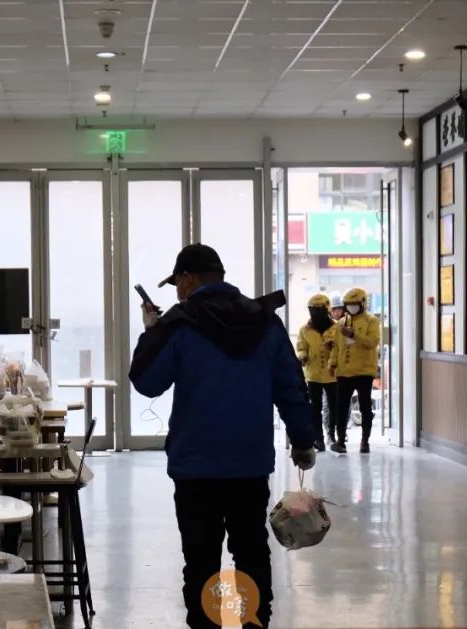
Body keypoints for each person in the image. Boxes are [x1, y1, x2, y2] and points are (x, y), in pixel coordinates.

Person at [129, 243, 317, 629]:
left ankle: (206, 624)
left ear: (187, 279)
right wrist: (302, 441)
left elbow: (148, 383)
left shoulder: (179, 324)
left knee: (200, 559)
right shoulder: (264, 321)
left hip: (196, 466)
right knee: (250, 552)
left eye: (177, 283)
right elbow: (291, 386)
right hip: (249, 463)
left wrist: (151, 332)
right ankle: (254, 623)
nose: (177, 292)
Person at [329, 287, 381, 454]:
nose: (351, 307)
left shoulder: (372, 321)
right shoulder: (341, 323)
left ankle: (365, 442)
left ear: (362, 303)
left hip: (364, 372)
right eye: (348, 304)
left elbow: (373, 342)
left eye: (354, 304)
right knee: (341, 407)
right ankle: (340, 441)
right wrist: (332, 364)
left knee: (365, 407)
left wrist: (354, 335)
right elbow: (337, 347)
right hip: (344, 372)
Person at [296, 293, 338, 451]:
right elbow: (301, 347)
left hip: (332, 375)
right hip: (313, 374)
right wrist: (303, 357)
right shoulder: (304, 330)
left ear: (327, 309)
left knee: (334, 407)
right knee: (315, 408)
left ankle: (332, 435)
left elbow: (341, 348)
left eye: (318, 309)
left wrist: (333, 348)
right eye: (312, 309)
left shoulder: (337, 329)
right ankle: (318, 438)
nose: (315, 313)